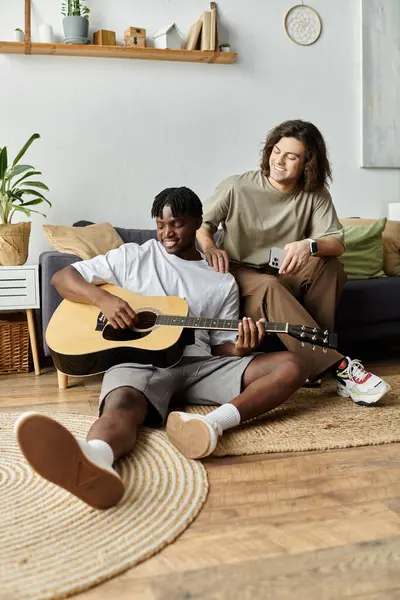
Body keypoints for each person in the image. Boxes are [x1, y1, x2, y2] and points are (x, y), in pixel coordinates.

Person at [15, 187, 305, 510]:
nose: (167, 232)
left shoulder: (221, 282)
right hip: (140, 362)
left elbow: (220, 347)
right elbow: (62, 278)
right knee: (122, 405)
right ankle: (95, 459)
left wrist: (239, 348)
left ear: (198, 223)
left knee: (290, 366)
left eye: (177, 224)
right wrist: (104, 299)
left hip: (198, 364)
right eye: (160, 224)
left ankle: (213, 425)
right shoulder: (133, 257)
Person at [196, 120, 390, 406]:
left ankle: (311, 365)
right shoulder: (237, 186)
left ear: (307, 163)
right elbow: (202, 225)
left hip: (283, 270)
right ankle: (340, 368)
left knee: (330, 265)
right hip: (239, 272)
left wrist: (309, 245)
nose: (279, 161)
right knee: (269, 285)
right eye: (277, 151)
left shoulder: (315, 194)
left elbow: (336, 243)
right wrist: (210, 247)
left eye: (291, 156)